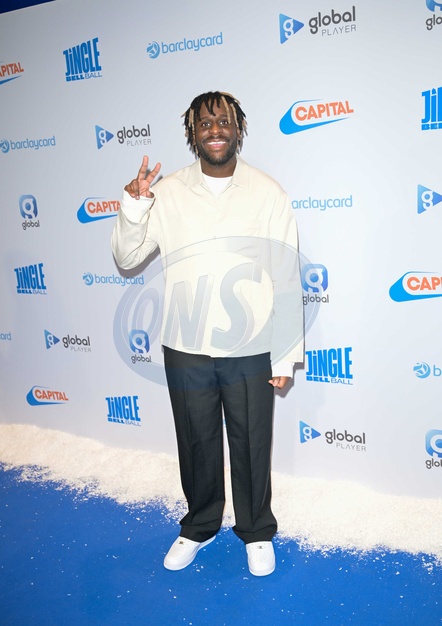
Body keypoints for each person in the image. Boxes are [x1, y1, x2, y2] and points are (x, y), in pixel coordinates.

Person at [111, 91, 303, 576]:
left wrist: (284, 354)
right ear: (191, 133)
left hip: (251, 344)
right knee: (196, 441)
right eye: (204, 123)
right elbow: (127, 258)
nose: (214, 130)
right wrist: (134, 206)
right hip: (185, 344)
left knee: (252, 442)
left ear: (238, 129)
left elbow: (285, 277)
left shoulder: (268, 192)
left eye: (223, 121)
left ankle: (256, 530)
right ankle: (199, 525)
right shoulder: (167, 193)